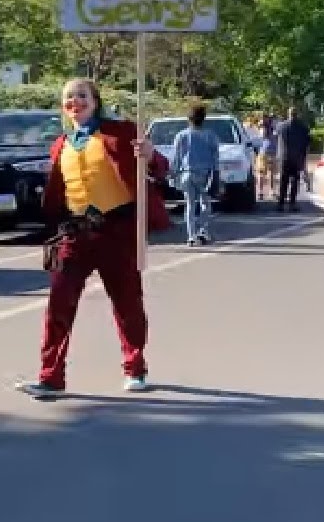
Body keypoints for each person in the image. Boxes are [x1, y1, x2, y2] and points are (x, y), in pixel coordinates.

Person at [15, 78, 171, 398]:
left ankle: (135, 367)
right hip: (75, 232)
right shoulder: (60, 144)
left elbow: (160, 169)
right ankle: (51, 377)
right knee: (58, 303)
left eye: (82, 95)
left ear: (95, 101)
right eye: (69, 97)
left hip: (117, 230)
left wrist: (151, 154)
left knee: (127, 303)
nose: (76, 101)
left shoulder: (123, 132)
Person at [171, 103, 220, 246]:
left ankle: (191, 236)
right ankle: (203, 232)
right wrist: (216, 173)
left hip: (187, 173)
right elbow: (216, 157)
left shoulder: (181, 136)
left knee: (190, 205)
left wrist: (173, 173)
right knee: (205, 204)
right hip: (205, 174)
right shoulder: (210, 136)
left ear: (189, 119)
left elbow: (177, 158)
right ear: (203, 119)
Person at [275, 106, 311, 212]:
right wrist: (304, 159)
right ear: (297, 114)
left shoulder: (281, 126)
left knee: (283, 180)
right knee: (295, 181)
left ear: (288, 114)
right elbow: (307, 143)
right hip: (297, 157)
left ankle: (281, 203)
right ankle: (292, 203)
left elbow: (276, 136)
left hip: (284, 157)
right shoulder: (303, 127)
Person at [258, 112, 277, 200]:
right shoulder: (264, 127)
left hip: (266, 152)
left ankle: (267, 191)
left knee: (269, 173)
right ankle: (263, 192)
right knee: (266, 173)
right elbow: (263, 136)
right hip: (267, 152)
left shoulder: (266, 127)